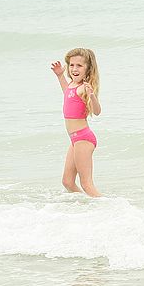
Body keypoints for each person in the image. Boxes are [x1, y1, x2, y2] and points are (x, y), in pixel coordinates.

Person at [50, 48, 102, 197]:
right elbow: (67, 92)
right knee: (67, 181)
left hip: (83, 138)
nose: (74, 69)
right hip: (75, 139)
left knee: (87, 184)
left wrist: (92, 96)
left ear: (88, 68)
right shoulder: (72, 86)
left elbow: (97, 111)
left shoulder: (84, 89)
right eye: (72, 65)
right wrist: (60, 76)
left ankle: (110, 209)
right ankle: (89, 206)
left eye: (79, 65)